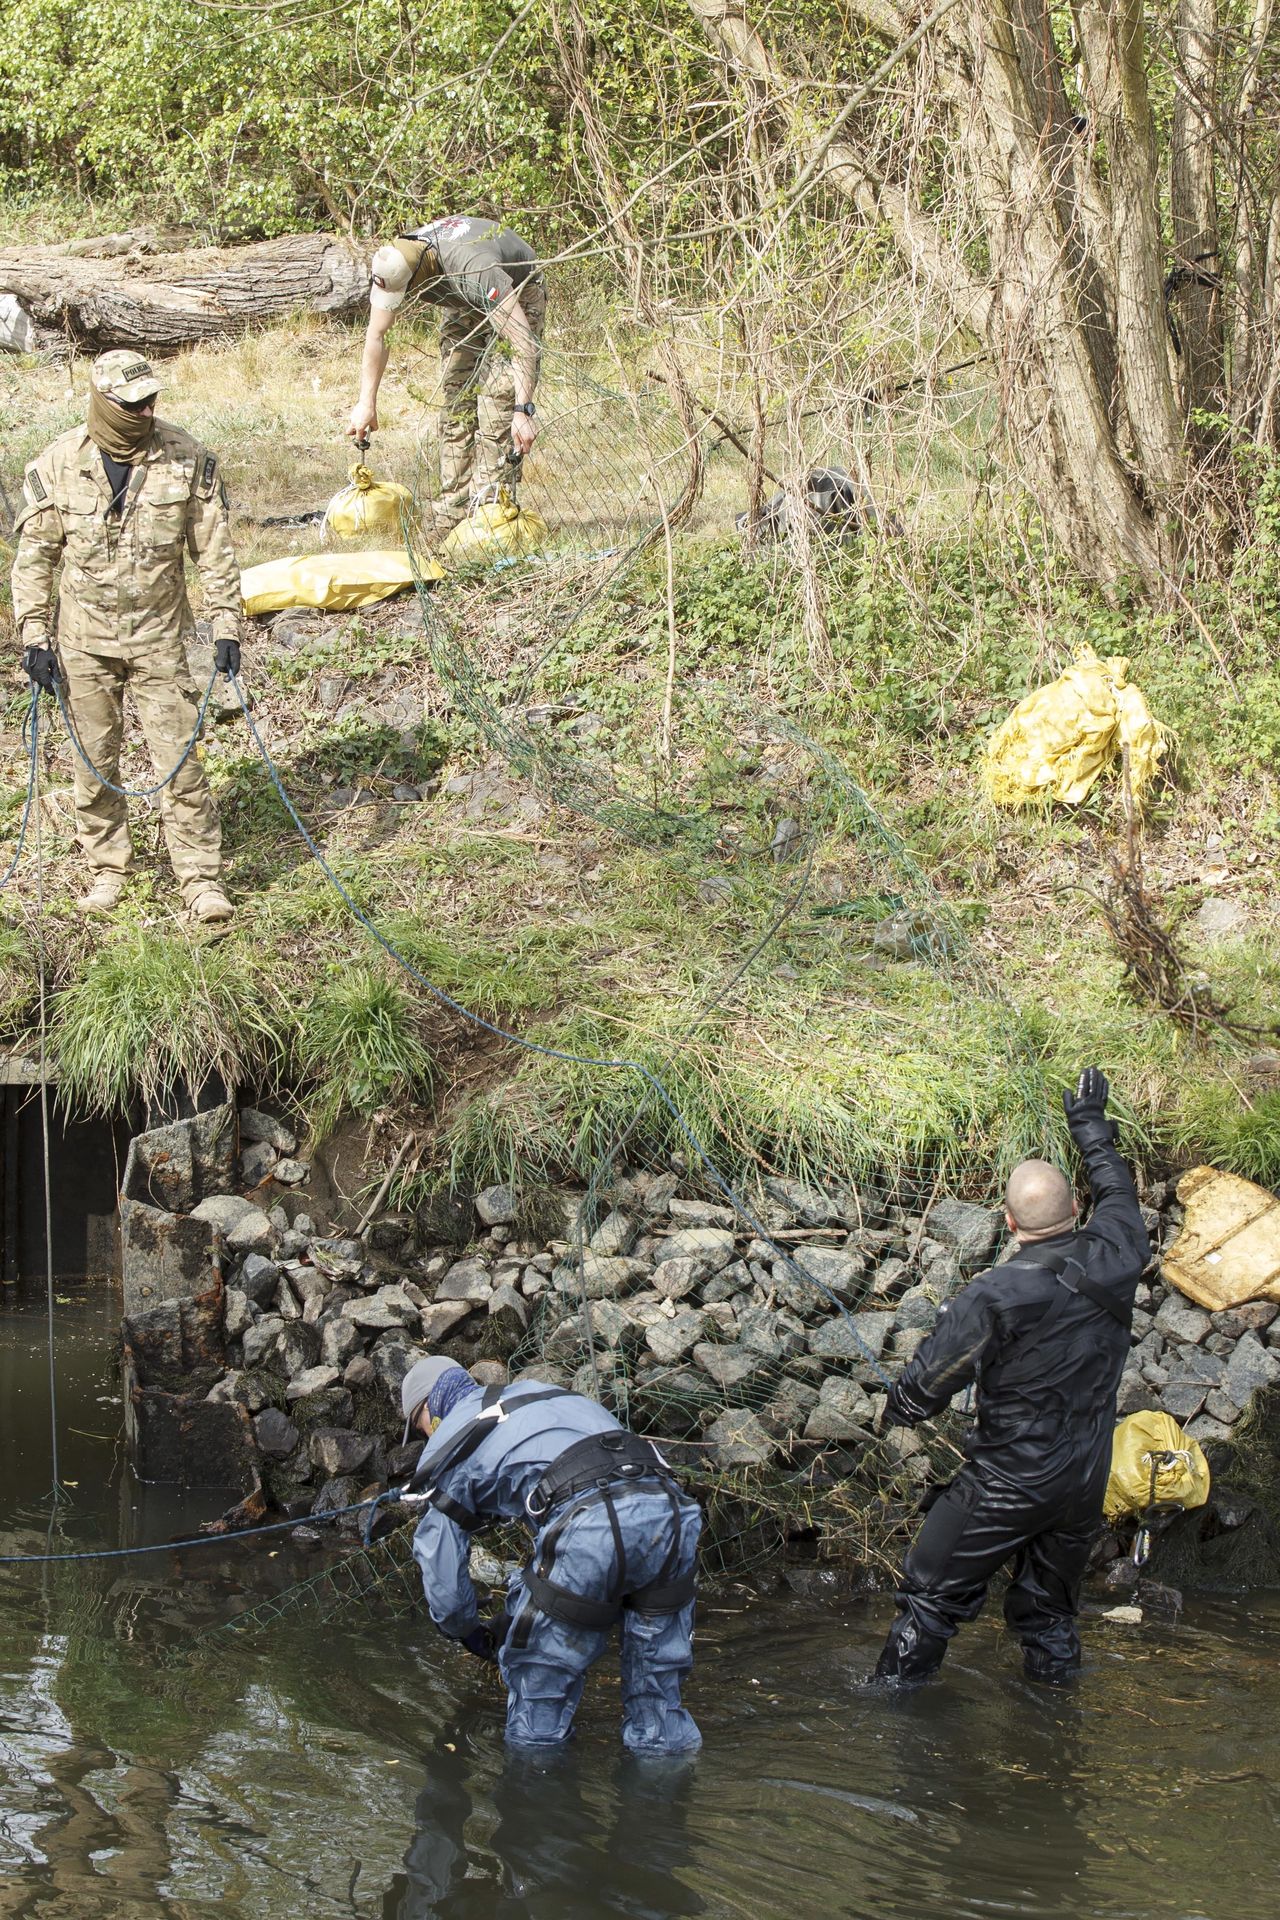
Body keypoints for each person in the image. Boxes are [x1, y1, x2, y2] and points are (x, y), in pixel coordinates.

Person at [874, 1067, 1150, 1686]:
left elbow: (926, 1386)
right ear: (1077, 1209)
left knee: (930, 1598)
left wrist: (900, 1407)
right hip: (1083, 1478)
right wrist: (1089, 1126)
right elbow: (1119, 1188)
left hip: (1008, 1480)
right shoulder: (1119, 1252)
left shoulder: (993, 1293)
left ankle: (892, 1716)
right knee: (1050, 1613)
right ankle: (1054, 1729)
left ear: (1007, 1221)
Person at [11, 349, 243, 922]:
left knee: (181, 763)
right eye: (131, 403)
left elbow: (213, 551)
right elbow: (35, 558)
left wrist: (226, 626)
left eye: (151, 400)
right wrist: (34, 637)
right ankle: (108, 869)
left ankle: (200, 881)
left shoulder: (187, 458)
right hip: (83, 643)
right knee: (92, 763)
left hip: (161, 639)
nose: (145, 411)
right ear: (103, 400)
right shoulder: (59, 463)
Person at [400, 1354, 702, 1753]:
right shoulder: (540, 1394)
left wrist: (468, 1631)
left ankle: (536, 1800)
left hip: (592, 1526)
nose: (425, 1438)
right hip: (671, 1514)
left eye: (419, 1427)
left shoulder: (450, 1439)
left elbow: (446, 1587)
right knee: (660, 1707)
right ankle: (663, 1796)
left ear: (429, 1411)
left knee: (537, 1708)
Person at [348, 216, 544, 524]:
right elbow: (377, 334)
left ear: (419, 274)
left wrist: (523, 410)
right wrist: (366, 402)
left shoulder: (476, 267)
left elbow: (521, 343)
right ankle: (451, 512)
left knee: (498, 407)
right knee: (457, 405)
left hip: (514, 289)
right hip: (460, 292)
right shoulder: (395, 259)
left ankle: (488, 517)